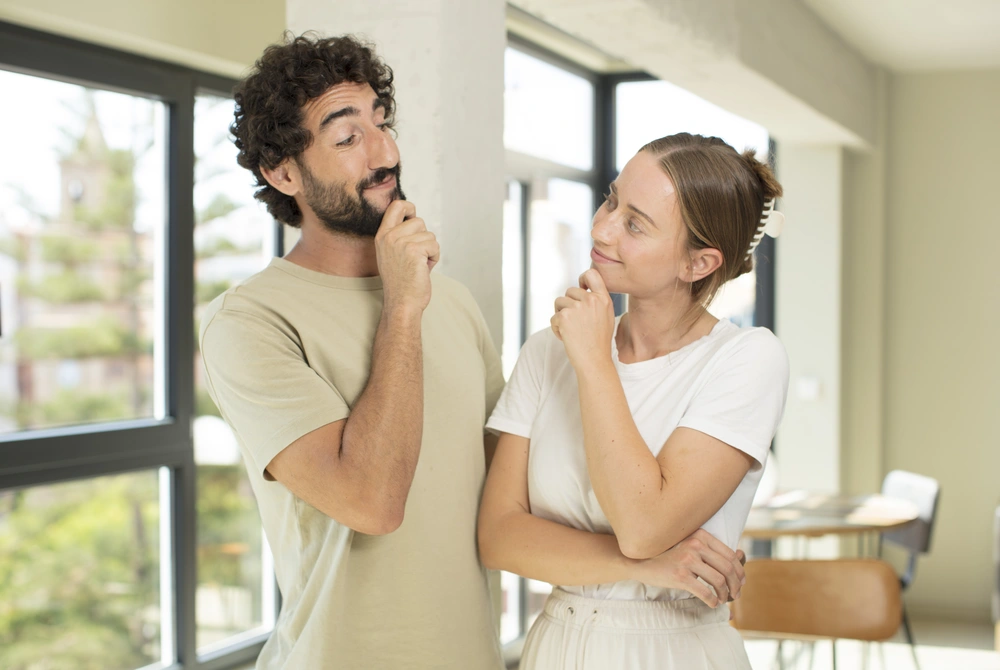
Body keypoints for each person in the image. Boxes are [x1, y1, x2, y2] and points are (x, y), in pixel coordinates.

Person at [201, 32, 749, 669]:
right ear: (283, 172)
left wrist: (674, 540)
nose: (383, 151)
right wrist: (402, 306)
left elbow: (514, 504)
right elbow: (372, 503)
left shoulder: (453, 303)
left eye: (382, 121)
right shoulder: (249, 322)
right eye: (347, 137)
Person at [479, 133, 790, 669]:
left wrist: (596, 363)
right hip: (556, 645)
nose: (601, 228)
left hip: (675, 650)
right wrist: (644, 568)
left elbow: (644, 524)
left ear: (698, 264)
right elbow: (499, 537)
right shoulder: (548, 351)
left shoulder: (747, 360)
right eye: (610, 199)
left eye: (635, 223)